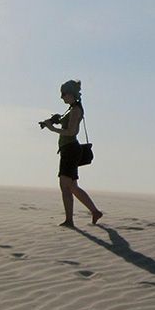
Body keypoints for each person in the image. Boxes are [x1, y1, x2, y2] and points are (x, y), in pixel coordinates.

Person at [41, 80, 103, 228]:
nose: (61, 97)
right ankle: (94, 212)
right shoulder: (71, 108)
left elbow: (72, 131)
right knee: (72, 186)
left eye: (63, 94)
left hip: (70, 150)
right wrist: (54, 120)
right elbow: (66, 124)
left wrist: (52, 129)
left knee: (65, 185)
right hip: (67, 149)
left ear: (71, 94)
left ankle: (70, 220)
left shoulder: (76, 110)